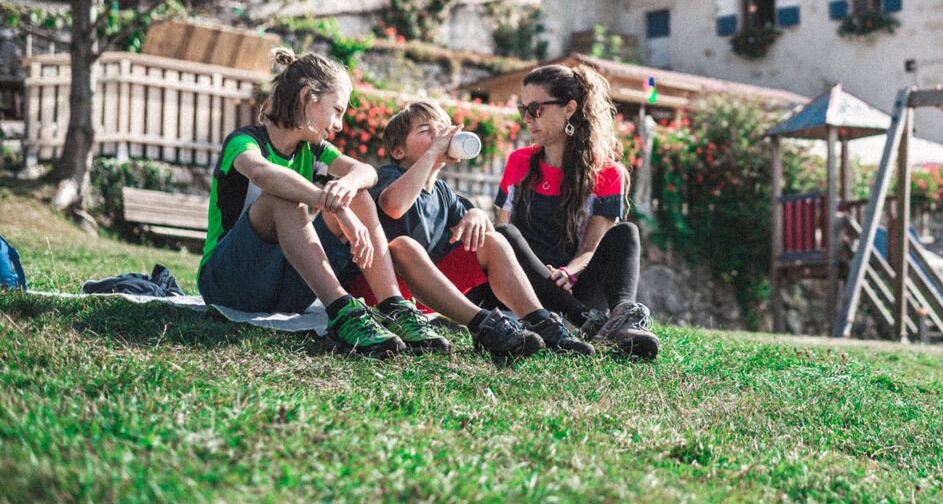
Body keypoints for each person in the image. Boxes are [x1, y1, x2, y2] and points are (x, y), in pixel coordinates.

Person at [196, 48, 449, 358]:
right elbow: (262, 173)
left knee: (355, 193)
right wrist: (331, 204)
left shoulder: (314, 151)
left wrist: (345, 187)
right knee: (284, 199)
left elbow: (365, 171)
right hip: (228, 284)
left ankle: (394, 306)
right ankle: (343, 311)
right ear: (307, 97)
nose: (340, 124)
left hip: (286, 291)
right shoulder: (246, 141)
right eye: (337, 110)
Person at [353, 101, 592, 357]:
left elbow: (481, 233)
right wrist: (433, 152)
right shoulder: (389, 175)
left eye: (443, 129)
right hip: (378, 292)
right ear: (398, 151)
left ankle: (540, 321)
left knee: (494, 240)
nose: (440, 136)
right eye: (426, 131)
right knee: (403, 246)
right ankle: (483, 325)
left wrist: (477, 214)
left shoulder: (443, 192)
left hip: (425, 294)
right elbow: (393, 206)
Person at [494, 63, 659, 360]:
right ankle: (588, 323)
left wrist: (567, 272)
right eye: (524, 110)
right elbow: (502, 244)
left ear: (569, 108)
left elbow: (592, 247)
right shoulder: (518, 162)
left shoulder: (608, 173)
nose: (528, 119)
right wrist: (543, 273)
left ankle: (624, 320)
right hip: (524, 290)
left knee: (626, 233)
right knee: (503, 235)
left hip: (574, 285)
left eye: (536, 109)